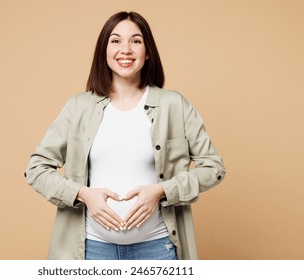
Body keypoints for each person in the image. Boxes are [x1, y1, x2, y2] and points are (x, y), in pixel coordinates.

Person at [24, 11, 226, 260]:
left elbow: (214, 167)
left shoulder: (175, 105)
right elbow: (36, 169)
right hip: (91, 249)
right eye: (116, 41)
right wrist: (83, 194)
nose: (126, 49)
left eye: (136, 41)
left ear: (148, 51)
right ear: (104, 51)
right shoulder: (78, 107)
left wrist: (162, 190)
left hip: (158, 248)